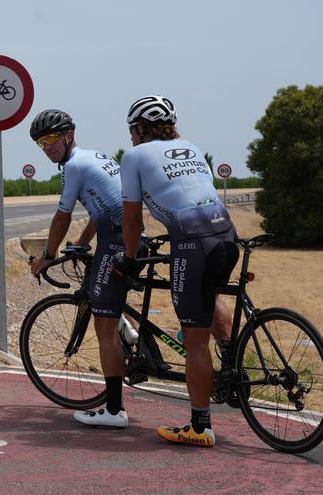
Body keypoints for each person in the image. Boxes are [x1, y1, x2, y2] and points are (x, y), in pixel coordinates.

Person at [115, 95, 239, 447]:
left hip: (194, 240)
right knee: (210, 295)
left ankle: (200, 427)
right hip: (225, 233)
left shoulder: (135, 156)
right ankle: (230, 364)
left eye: (132, 131)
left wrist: (128, 255)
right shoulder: (191, 146)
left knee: (195, 340)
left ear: (139, 129)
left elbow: (133, 218)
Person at [28, 109, 131, 428]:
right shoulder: (94, 157)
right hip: (124, 233)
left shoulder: (73, 166)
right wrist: (84, 242)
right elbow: (102, 208)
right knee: (109, 306)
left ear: (68, 135)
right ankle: (129, 334)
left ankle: (114, 410)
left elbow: (63, 215)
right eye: (40, 142)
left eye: (50, 139)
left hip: (116, 239)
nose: (46, 147)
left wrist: (47, 254)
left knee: (103, 327)